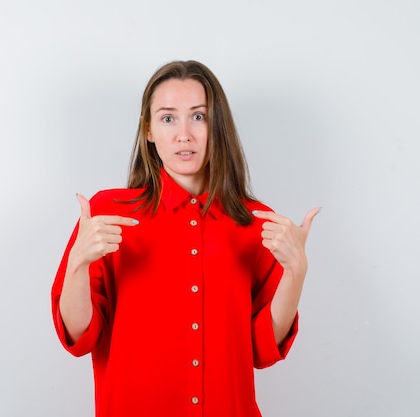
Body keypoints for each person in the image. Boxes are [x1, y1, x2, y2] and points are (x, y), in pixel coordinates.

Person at [51, 60, 320, 417]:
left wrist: (296, 275)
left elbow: (261, 347)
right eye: (167, 118)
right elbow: (78, 334)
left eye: (198, 117)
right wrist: (77, 265)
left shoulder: (257, 222)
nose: (184, 135)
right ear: (148, 130)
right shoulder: (108, 212)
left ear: (217, 126)